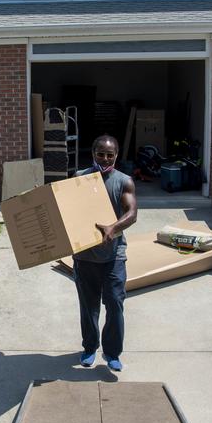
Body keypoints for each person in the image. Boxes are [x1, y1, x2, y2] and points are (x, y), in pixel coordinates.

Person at [73, 135, 137, 372]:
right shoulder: (79, 178)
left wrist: (114, 227)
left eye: (110, 155)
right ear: (93, 153)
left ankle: (112, 353)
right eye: (101, 153)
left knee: (115, 303)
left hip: (114, 255)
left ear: (116, 156)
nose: (105, 158)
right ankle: (89, 348)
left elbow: (132, 213)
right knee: (88, 306)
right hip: (84, 255)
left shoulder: (124, 181)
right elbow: (65, 207)